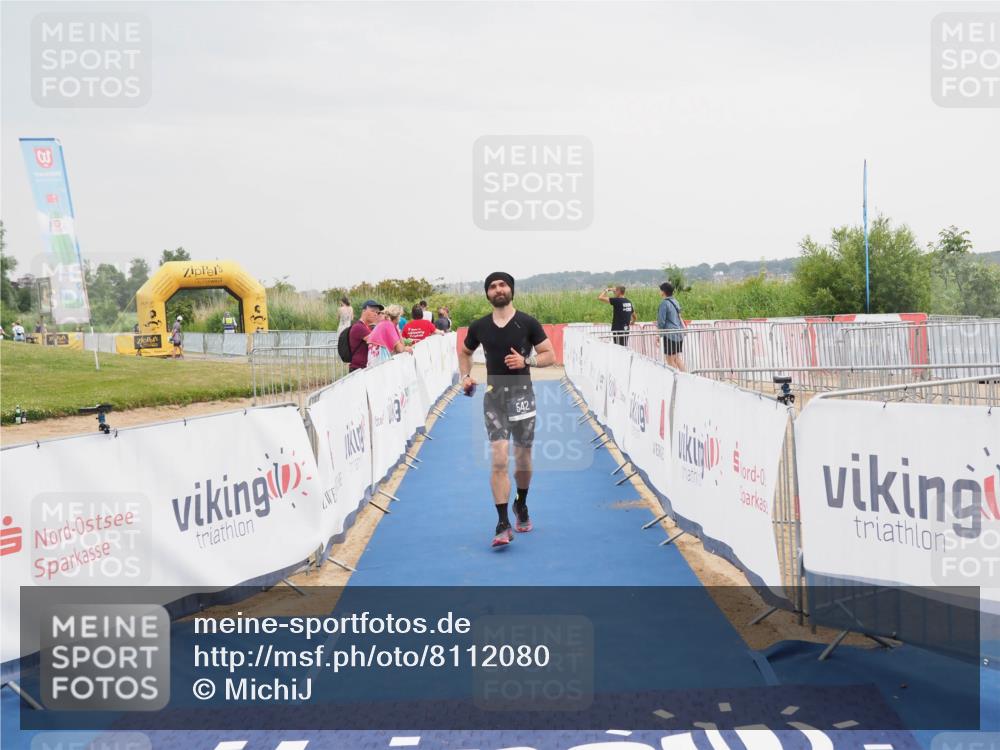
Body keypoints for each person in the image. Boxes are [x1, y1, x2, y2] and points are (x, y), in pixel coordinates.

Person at [459, 272, 556, 548]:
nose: (498, 289)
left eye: (502, 285)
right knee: (499, 458)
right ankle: (502, 523)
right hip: (494, 396)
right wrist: (465, 377)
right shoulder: (479, 326)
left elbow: (550, 355)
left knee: (523, 457)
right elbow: (465, 353)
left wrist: (527, 361)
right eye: (492, 286)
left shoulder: (527, 322)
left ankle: (520, 504)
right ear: (487, 294)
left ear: (511, 289)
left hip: (522, 394)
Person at [657, 282, 686, 371]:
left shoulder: (664, 303)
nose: (659, 292)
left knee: (669, 359)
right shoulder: (675, 301)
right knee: (677, 358)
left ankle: (677, 379)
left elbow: (661, 321)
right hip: (679, 333)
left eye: (660, 290)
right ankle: (686, 377)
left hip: (670, 335)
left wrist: (659, 335)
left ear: (663, 292)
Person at [347, 300, 382, 372]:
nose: (375, 314)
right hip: (358, 370)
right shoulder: (359, 327)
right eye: (373, 311)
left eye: (377, 312)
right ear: (364, 311)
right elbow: (378, 341)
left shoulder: (367, 327)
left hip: (364, 369)